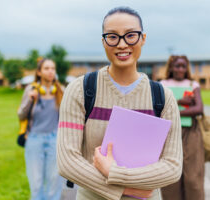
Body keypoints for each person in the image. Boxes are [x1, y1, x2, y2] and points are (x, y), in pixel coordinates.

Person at [56, 7, 182, 200]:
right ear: (103, 41)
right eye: (112, 37)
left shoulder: (163, 97)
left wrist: (115, 173)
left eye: (131, 35)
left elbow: (172, 166)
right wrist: (126, 190)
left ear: (143, 38)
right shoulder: (80, 90)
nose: (122, 44)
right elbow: (67, 162)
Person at [18, 58, 64, 200]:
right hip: (34, 139)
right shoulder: (30, 90)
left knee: (54, 182)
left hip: (55, 139)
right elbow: (21, 115)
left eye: (52, 68)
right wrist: (30, 100)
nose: (50, 71)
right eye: (46, 68)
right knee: (36, 183)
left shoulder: (60, 91)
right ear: (39, 72)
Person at [160, 55, 205, 200]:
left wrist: (174, 111)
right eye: (177, 66)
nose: (180, 69)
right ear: (171, 68)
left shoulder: (192, 84)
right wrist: (180, 101)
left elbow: (199, 109)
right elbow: (159, 108)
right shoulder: (163, 84)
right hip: (169, 133)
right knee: (171, 177)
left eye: (183, 66)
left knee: (193, 177)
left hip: (190, 132)